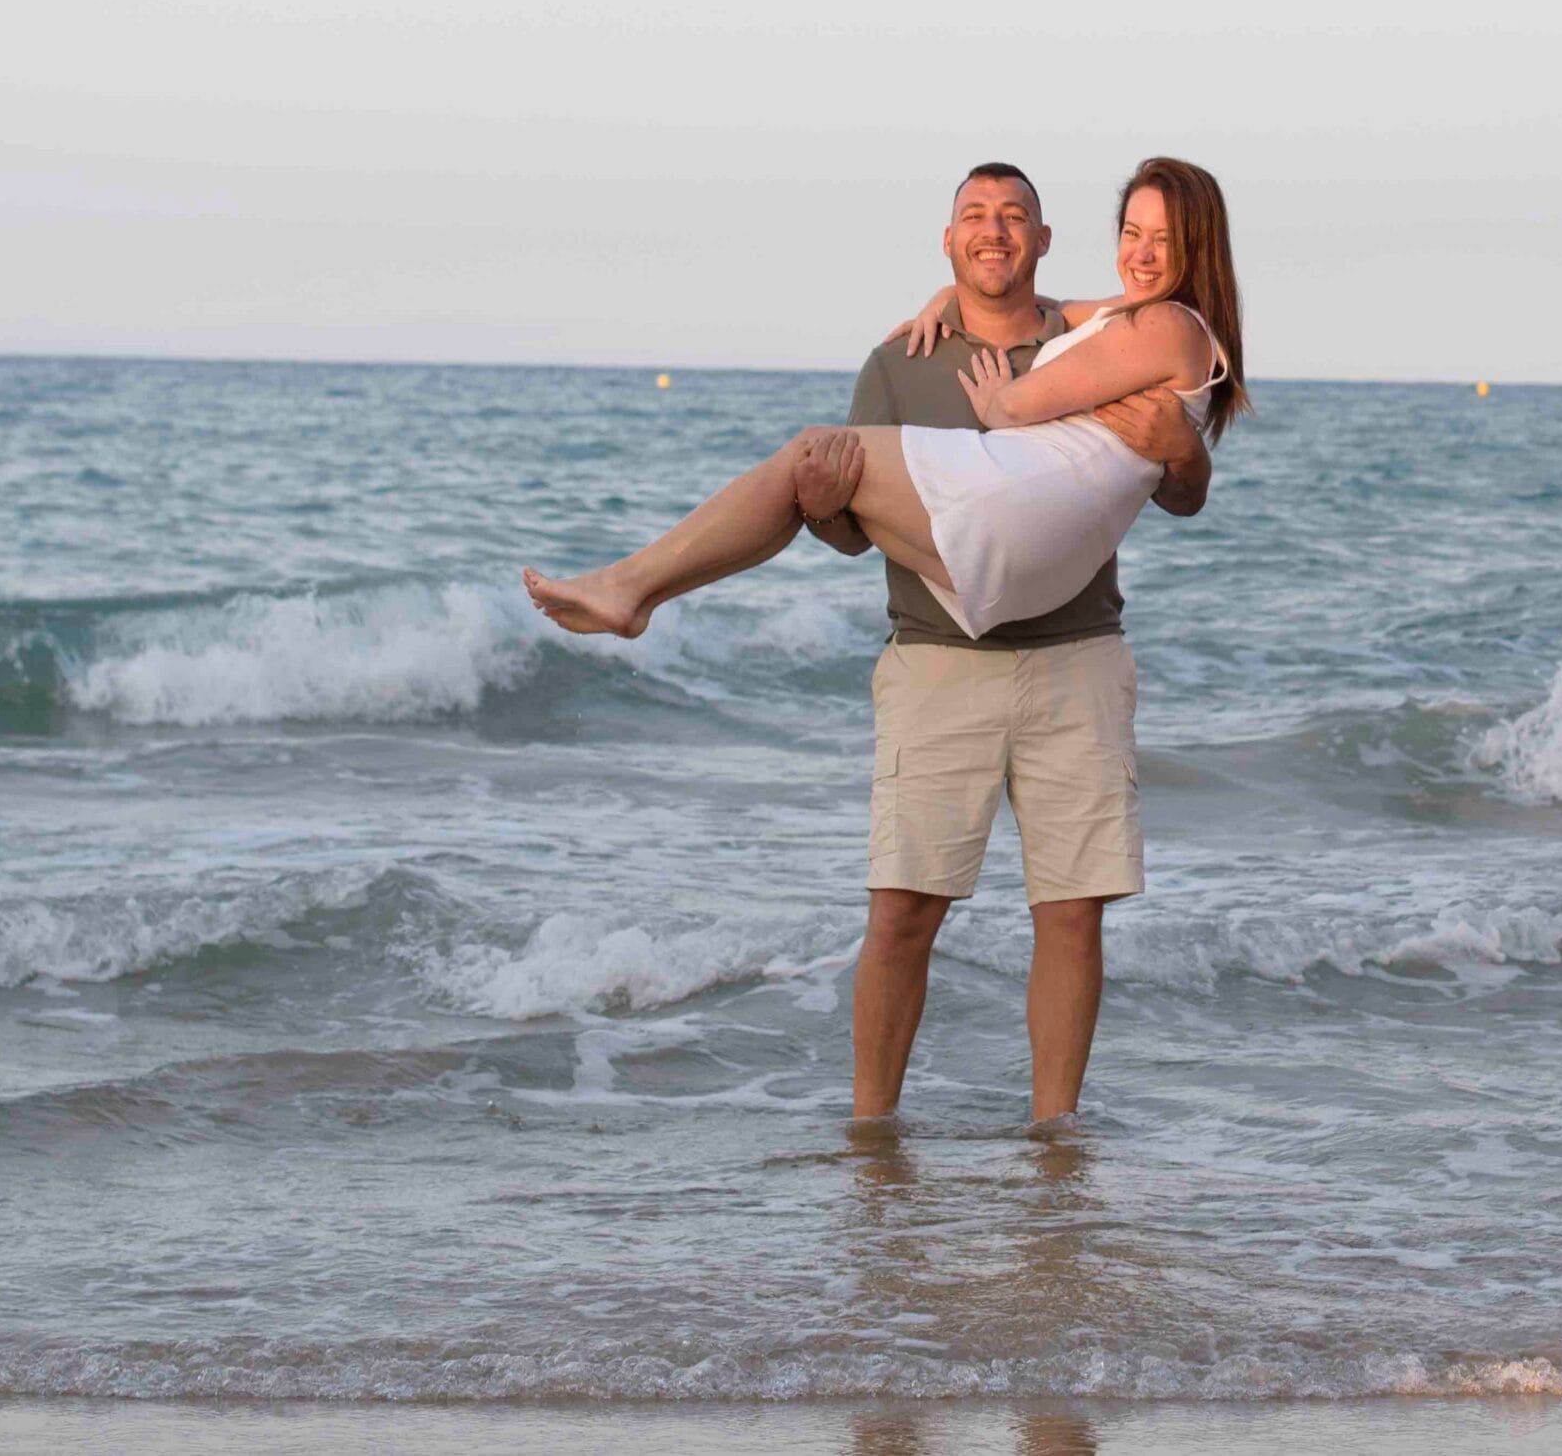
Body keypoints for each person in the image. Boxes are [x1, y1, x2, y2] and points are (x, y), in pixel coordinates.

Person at [524, 157, 1247, 1122]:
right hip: (944, 644)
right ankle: (893, 1132)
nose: (994, 231)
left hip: (1069, 641)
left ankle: (632, 589)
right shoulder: (916, 356)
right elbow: (850, 531)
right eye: (974, 217)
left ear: (1042, 238)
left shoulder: (1127, 331)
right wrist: (828, 501)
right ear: (949, 241)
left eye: (1014, 216)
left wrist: (1179, 451)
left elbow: (1147, 473)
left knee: (1072, 915)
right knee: (904, 912)